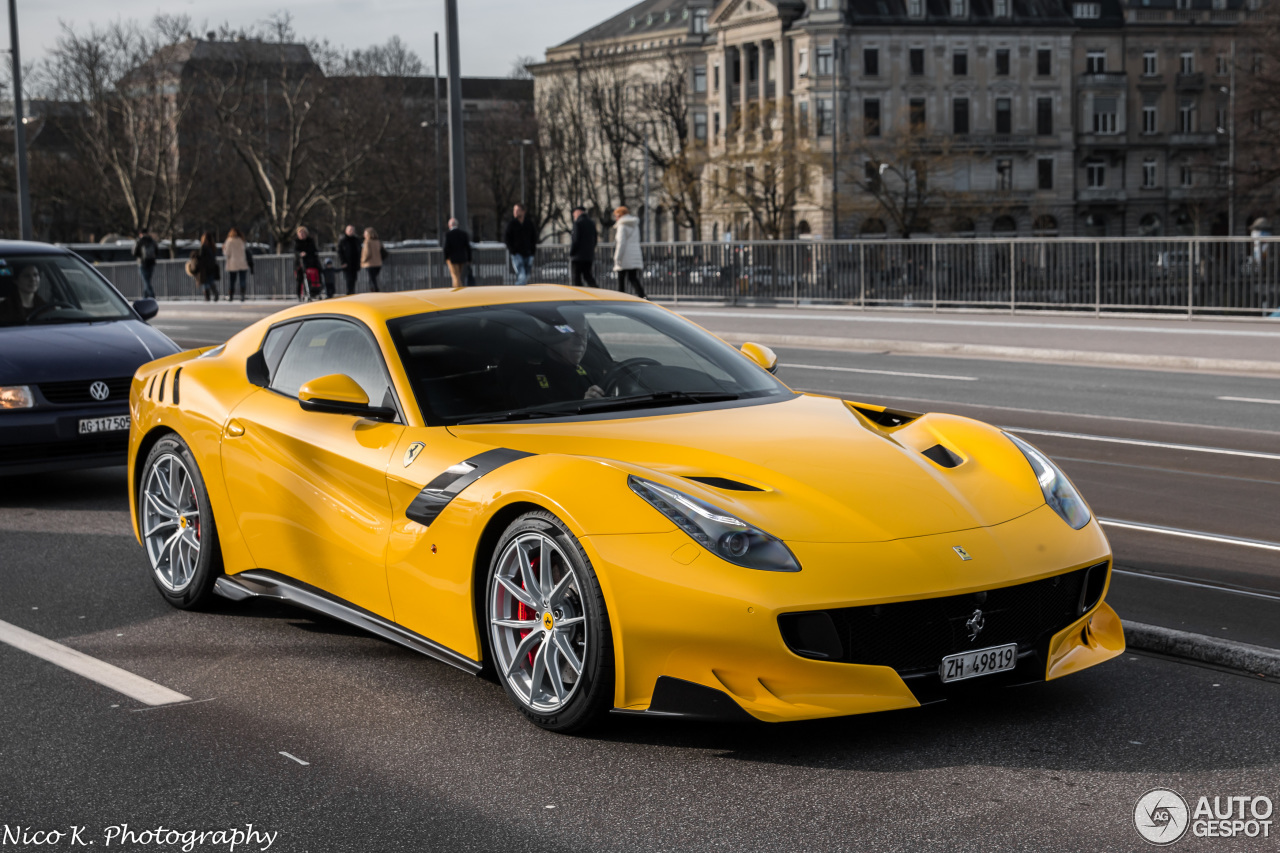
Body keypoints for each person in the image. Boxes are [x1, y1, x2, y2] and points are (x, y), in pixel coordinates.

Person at [502, 310, 605, 410]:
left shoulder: (591, 375)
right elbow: (537, 419)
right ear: (552, 337)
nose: (580, 342)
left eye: (584, 335)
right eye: (572, 334)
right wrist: (584, 405)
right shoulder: (527, 379)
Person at [612, 206, 646, 298]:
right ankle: (643, 296)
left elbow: (621, 243)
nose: (616, 218)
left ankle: (620, 298)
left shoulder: (622, 225)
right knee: (633, 278)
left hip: (625, 255)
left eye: (616, 216)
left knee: (621, 279)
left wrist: (617, 257)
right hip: (634, 254)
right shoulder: (634, 224)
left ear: (620, 215)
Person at [503, 204, 537, 285]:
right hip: (517, 254)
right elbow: (506, 238)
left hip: (528, 253)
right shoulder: (512, 224)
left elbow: (534, 237)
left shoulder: (528, 223)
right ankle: (517, 292)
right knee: (522, 276)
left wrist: (532, 251)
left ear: (523, 211)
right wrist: (513, 251)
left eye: (517, 210)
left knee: (527, 276)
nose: (515, 212)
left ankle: (522, 293)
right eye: (514, 210)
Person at [569, 207, 598, 288]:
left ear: (578, 212)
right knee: (588, 276)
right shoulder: (591, 223)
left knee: (576, 278)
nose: (573, 215)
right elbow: (595, 239)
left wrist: (572, 252)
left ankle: (578, 296)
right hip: (589, 255)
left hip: (578, 256)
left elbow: (575, 240)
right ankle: (597, 292)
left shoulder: (578, 223)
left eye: (574, 213)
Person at [223, 227, 253, 302]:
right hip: (242, 263)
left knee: (232, 281)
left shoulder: (229, 241)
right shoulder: (241, 240)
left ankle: (231, 296)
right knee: (242, 280)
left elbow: (227, 253)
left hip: (233, 264)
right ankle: (242, 295)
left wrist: (223, 249)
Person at [443, 217, 472, 288]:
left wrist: (446, 258)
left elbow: (446, 247)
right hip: (462, 258)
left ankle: (459, 292)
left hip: (452, 259)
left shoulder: (448, 235)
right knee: (457, 276)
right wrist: (469, 259)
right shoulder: (463, 234)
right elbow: (468, 247)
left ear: (449, 225)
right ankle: (456, 291)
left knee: (455, 277)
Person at [293, 226, 320, 301]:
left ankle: (310, 293)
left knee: (310, 279)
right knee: (299, 280)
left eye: (303, 233)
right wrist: (300, 254)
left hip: (309, 264)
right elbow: (295, 252)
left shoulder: (310, 241)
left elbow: (314, 251)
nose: (302, 234)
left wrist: (307, 254)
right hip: (299, 264)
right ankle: (299, 295)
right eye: (300, 233)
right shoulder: (296, 242)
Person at [195, 231, 220, 302]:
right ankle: (215, 294)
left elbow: (201, 257)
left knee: (205, 282)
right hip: (212, 267)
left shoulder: (203, 247)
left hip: (205, 268)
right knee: (211, 281)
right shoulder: (213, 246)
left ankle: (207, 297)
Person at [132, 230, 158, 299]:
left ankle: (152, 295)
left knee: (146, 281)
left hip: (142, 263)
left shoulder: (139, 241)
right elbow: (157, 251)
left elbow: (134, 252)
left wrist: (138, 242)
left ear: (140, 234)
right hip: (151, 263)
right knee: (147, 281)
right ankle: (145, 297)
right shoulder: (151, 240)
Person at [337, 224, 362, 295]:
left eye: (353, 230)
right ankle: (349, 293)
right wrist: (343, 262)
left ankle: (352, 292)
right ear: (346, 231)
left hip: (355, 263)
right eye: (350, 230)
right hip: (347, 263)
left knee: (354, 279)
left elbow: (359, 251)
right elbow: (339, 252)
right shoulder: (343, 240)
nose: (351, 232)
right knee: (348, 279)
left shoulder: (356, 240)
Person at [361, 227, 385, 292]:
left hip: (370, 263)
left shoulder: (367, 242)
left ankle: (374, 290)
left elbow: (367, 253)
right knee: (373, 278)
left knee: (371, 279)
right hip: (378, 263)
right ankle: (375, 290)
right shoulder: (377, 241)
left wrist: (362, 260)